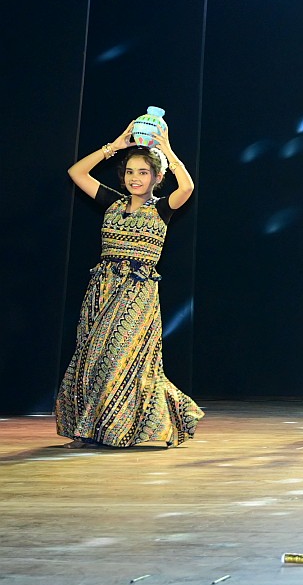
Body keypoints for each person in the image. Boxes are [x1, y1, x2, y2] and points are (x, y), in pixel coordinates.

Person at [57, 119, 203, 447]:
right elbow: (76, 172)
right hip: (102, 289)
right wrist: (115, 146)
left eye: (143, 172)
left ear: (157, 177)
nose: (135, 178)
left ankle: (107, 429)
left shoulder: (162, 209)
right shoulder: (112, 202)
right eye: (129, 172)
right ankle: (89, 429)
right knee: (92, 357)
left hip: (137, 291)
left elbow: (187, 188)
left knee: (119, 356)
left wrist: (167, 150)